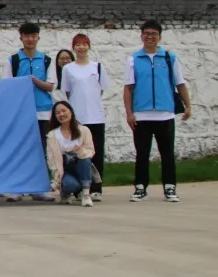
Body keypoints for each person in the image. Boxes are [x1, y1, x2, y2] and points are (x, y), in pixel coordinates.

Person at [125, 20, 191, 203]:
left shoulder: (170, 58)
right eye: (146, 33)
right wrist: (129, 113)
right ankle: (140, 187)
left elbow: (180, 83)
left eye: (154, 34)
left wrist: (188, 106)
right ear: (141, 36)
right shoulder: (133, 59)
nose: (150, 37)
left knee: (167, 153)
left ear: (159, 37)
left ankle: (170, 187)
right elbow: (128, 88)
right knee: (142, 153)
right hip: (141, 114)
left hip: (165, 114)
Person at [7, 22, 56, 203]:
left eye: (33, 36)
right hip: (21, 113)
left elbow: (50, 86)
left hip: (42, 112)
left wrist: (35, 81)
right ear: (21, 38)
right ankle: (17, 188)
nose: (30, 39)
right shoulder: (13, 60)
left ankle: (39, 188)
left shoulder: (46, 60)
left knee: (40, 151)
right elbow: (8, 87)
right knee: (19, 150)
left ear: (38, 37)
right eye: (26, 36)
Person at [60, 34, 109, 201]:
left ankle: (96, 188)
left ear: (89, 46)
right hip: (77, 118)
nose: (81, 47)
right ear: (73, 47)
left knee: (96, 152)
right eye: (78, 45)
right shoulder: (68, 69)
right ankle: (79, 188)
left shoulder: (98, 67)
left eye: (84, 44)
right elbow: (67, 92)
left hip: (96, 117)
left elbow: (101, 90)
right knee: (77, 153)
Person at [46, 101, 96, 207]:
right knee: (70, 185)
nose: (61, 114)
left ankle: (86, 194)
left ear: (71, 112)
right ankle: (66, 192)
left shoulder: (84, 130)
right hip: (65, 170)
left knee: (85, 159)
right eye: (57, 113)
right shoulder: (52, 135)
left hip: (81, 167)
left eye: (64, 111)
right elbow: (52, 159)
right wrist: (56, 180)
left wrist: (80, 150)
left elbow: (90, 151)